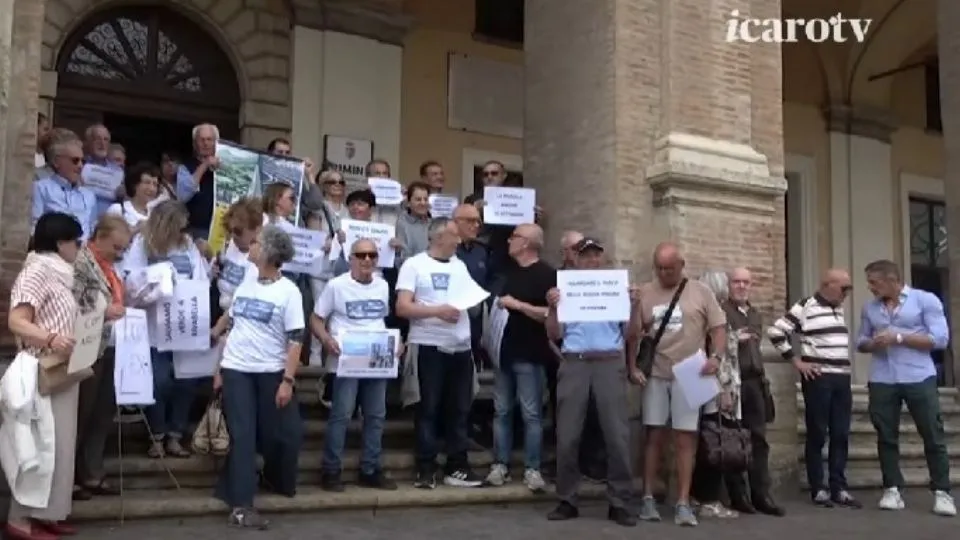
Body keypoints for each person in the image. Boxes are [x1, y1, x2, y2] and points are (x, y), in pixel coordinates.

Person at [211, 225, 305, 530]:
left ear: (266, 252)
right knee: (243, 436)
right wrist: (219, 369)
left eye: (255, 242)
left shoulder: (289, 291)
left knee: (276, 433)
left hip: (270, 372)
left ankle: (260, 481)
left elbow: (296, 339)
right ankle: (242, 505)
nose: (249, 246)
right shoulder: (247, 281)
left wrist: (287, 380)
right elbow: (233, 325)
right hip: (237, 369)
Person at [544, 237, 641, 527]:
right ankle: (567, 499)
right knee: (568, 435)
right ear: (576, 258)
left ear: (603, 258)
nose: (592, 260)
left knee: (617, 436)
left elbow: (633, 333)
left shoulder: (617, 289)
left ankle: (620, 501)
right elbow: (554, 333)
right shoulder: (566, 290)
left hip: (609, 361)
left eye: (596, 255)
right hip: (575, 361)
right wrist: (551, 308)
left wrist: (635, 306)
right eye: (586, 255)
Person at [4, 212, 85, 540]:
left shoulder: (63, 274)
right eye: (76, 241)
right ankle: (20, 519)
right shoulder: (37, 270)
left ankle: (47, 513)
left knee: (60, 446)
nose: (79, 248)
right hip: (41, 366)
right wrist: (50, 338)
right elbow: (17, 320)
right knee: (38, 444)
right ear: (61, 242)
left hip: (63, 369)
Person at [856, 259, 955, 516]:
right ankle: (892, 489)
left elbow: (940, 339)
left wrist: (898, 337)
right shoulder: (870, 308)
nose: (870, 288)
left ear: (892, 280)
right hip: (882, 378)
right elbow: (861, 341)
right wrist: (873, 344)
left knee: (932, 434)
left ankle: (942, 492)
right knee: (885, 436)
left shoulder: (925, 300)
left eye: (874, 282)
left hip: (919, 376)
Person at [638, 242, 726, 527]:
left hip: (691, 373)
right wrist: (632, 366)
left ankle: (683, 501)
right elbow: (632, 335)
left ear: (681, 265)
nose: (664, 273)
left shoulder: (701, 292)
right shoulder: (645, 292)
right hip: (657, 372)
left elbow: (718, 328)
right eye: (660, 268)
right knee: (653, 436)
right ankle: (648, 496)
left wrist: (716, 357)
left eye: (670, 269)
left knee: (686, 439)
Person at [396, 218, 484, 488]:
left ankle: (457, 466)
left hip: (460, 348)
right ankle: (426, 467)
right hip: (428, 346)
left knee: (459, 409)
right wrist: (437, 311)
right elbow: (402, 308)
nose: (459, 241)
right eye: (454, 236)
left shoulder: (460, 266)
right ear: (437, 238)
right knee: (428, 408)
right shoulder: (414, 265)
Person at [120, 200, 210, 458]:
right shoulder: (142, 246)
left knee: (186, 382)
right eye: (178, 227)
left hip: (184, 326)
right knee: (159, 381)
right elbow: (131, 283)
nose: (183, 232)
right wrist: (160, 276)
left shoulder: (188, 245)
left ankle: (175, 435)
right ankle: (156, 434)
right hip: (153, 328)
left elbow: (200, 277)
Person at [767, 269, 859, 508]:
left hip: (842, 378)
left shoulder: (838, 308)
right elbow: (776, 331)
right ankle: (818, 487)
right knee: (818, 432)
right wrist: (797, 361)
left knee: (841, 433)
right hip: (819, 379)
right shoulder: (806, 306)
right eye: (844, 288)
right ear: (827, 285)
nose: (847, 293)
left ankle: (839, 487)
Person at [312, 239, 398, 492]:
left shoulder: (383, 285)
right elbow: (316, 319)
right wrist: (326, 340)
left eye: (372, 255)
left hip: (377, 360)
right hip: (345, 361)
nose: (367, 260)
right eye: (361, 255)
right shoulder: (336, 286)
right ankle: (331, 470)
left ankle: (370, 468)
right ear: (351, 258)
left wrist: (396, 344)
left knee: (376, 415)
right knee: (341, 415)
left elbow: (384, 320)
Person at [484, 223, 554, 492]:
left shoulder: (547, 274)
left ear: (527, 243)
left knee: (531, 414)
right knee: (501, 411)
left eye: (514, 237)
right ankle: (499, 465)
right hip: (503, 352)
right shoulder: (506, 272)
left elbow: (551, 314)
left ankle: (532, 469)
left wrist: (519, 306)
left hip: (531, 354)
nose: (510, 241)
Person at [72, 215, 131, 502]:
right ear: (101, 237)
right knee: (82, 413)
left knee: (102, 413)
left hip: (110, 346)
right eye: (117, 247)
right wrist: (103, 313)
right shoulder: (81, 263)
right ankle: (70, 476)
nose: (120, 253)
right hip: (86, 347)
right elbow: (71, 305)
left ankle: (92, 471)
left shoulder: (110, 268)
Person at [689, 270, 742, 519]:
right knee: (713, 441)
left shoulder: (713, 314)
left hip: (711, 386)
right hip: (713, 388)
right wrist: (724, 390)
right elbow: (718, 358)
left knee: (706, 441)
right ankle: (707, 499)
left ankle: (700, 497)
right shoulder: (713, 317)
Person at [32, 131, 97, 241]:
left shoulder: (89, 195)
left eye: (83, 161)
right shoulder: (41, 188)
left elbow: (93, 232)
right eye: (75, 161)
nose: (81, 166)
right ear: (57, 162)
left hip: (83, 254)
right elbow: (34, 229)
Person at [217, 197, 262, 311]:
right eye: (229, 230)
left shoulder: (262, 258)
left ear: (256, 229)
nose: (233, 236)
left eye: (238, 231)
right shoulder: (229, 244)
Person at [106, 162, 160, 231]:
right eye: (147, 182)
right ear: (134, 185)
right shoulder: (118, 209)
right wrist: (136, 228)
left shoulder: (155, 215)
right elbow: (107, 237)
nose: (151, 188)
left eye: (155, 184)